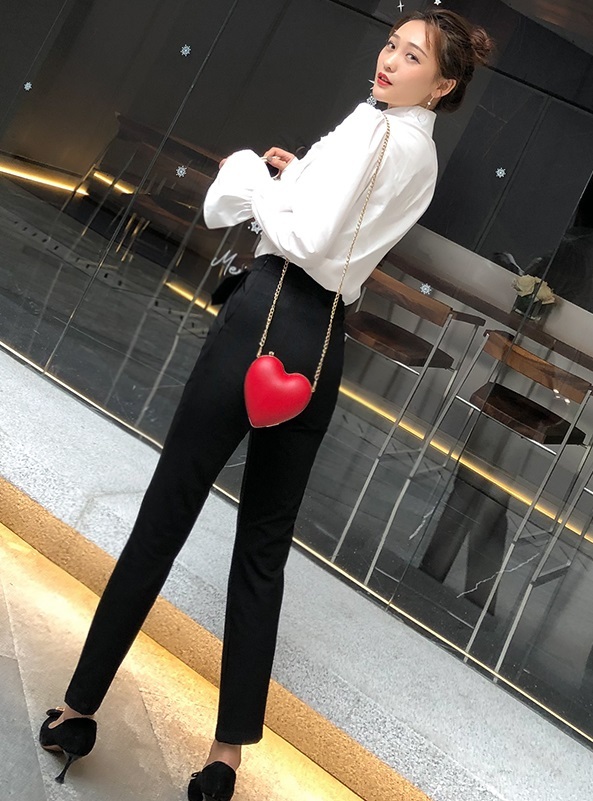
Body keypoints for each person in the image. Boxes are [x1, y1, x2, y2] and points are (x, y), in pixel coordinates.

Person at [38, 10, 494, 800]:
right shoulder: (414, 149)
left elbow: (310, 242)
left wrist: (254, 180)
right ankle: (224, 759)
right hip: (321, 343)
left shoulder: (381, 135)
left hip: (265, 314)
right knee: (262, 549)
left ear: (442, 83)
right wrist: (295, 180)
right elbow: (341, 233)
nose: (389, 59)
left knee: (167, 511)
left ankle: (78, 710)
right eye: (391, 43)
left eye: (412, 56)